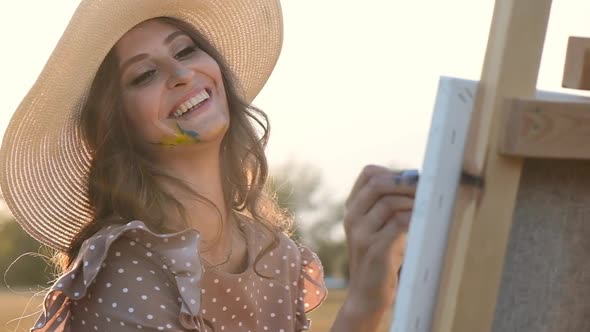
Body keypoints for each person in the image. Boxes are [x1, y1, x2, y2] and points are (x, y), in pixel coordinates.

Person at [0, 0, 416, 331]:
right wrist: (363, 301)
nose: (180, 72)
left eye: (186, 49)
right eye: (144, 75)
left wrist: (374, 293)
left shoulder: (277, 258)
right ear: (117, 128)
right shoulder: (128, 270)